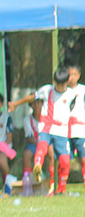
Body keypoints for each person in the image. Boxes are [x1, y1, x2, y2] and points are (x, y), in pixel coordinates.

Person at [32, 66, 75, 194]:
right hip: (46, 127)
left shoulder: (72, 94)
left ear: (67, 81)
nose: (59, 86)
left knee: (65, 161)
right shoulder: (47, 90)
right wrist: (16, 104)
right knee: (42, 147)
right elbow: (33, 97)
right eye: (57, 83)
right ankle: (38, 164)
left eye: (61, 84)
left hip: (61, 131)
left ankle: (61, 187)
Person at [20, 97, 45, 195]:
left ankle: (52, 181)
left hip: (45, 144)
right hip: (34, 144)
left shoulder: (46, 117)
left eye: (39, 103)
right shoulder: (27, 120)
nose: (37, 106)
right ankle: (28, 179)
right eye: (34, 104)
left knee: (51, 152)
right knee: (27, 154)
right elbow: (29, 137)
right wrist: (39, 145)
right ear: (31, 105)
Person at [66, 63, 85, 189]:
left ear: (78, 75)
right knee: (64, 159)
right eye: (69, 74)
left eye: (74, 74)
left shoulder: (83, 90)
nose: (71, 77)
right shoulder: (62, 90)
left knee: (83, 158)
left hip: (80, 130)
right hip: (64, 131)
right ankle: (60, 185)